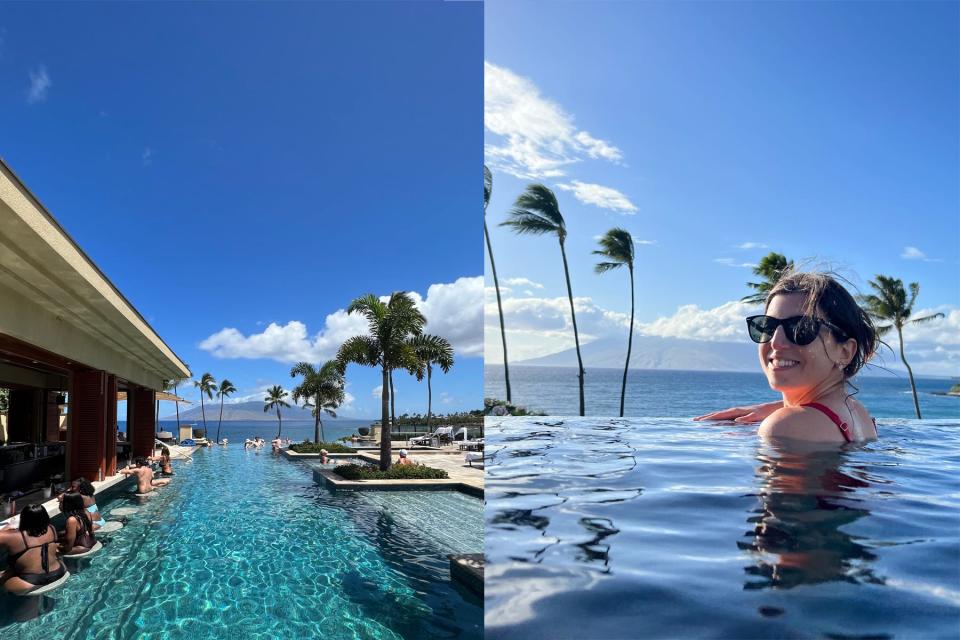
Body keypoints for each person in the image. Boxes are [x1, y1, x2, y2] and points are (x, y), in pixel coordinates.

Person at [696, 270, 878, 443]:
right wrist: (780, 407)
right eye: (767, 327)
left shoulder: (783, 427)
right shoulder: (857, 413)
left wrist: (783, 416)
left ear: (845, 352)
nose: (776, 342)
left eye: (800, 328)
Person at [0, 504, 66, 594]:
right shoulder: (52, 528)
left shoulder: (14, 537)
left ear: (23, 519)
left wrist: (7, 528)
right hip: (59, 572)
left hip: (30, 582)